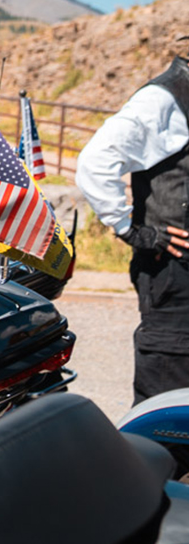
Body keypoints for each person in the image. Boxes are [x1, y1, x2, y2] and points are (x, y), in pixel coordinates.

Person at [76, 43, 189, 403]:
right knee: (167, 408)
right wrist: (129, 229)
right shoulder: (163, 98)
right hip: (175, 275)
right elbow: (96, 161)